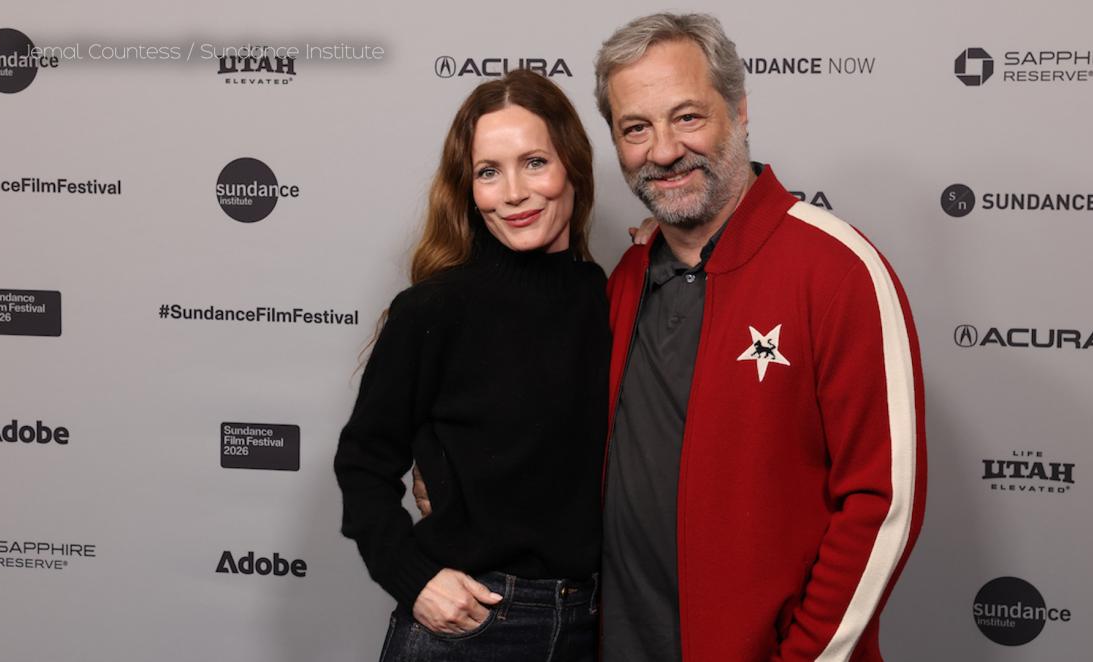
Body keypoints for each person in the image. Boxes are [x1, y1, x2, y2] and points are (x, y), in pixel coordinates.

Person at [594, 13, 927, 662]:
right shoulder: (625, 278)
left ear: (740, 111)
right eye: (637, 128)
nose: (663, 151)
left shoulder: (837, 268)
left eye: (687, 117)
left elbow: (882, 502)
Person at [334, 69, 608, 662]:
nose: (513, 192)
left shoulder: (608, 297)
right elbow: (362, 463)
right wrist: (415, 578)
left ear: (573, 166)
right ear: (469, 188)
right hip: (473, 628)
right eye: (489, 171)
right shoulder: (434, 310)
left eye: (534, 162)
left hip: (596, 626)